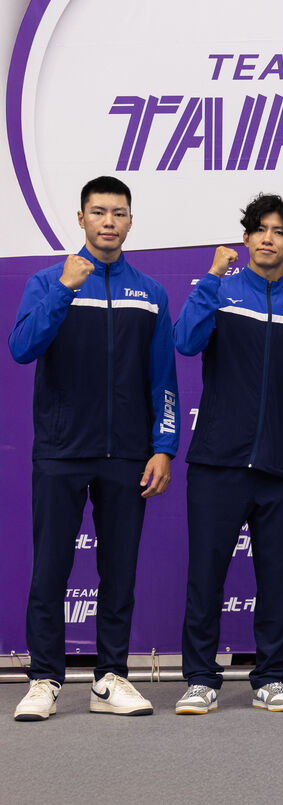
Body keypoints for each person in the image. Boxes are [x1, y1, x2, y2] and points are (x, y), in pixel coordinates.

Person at [9, 176, 178, 721]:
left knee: (119, 573)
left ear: (131, 220)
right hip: (61, 450)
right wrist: (65, 287)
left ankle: (110, 678)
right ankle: (44, 679)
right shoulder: (46, 281)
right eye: (99, 212)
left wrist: (164, 445)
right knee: (50, 570)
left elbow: (163, 377)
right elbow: (22, 348)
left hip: (127, 454)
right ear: (81, 219)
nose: (109, 222)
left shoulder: (150, 293)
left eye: (119, 213)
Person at [173, 194, 283, 714]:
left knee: (277, 580)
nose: (268, 238)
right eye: (260, 229)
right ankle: (200, 679)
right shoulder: (218, 291)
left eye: (279, 232)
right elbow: (185, 341)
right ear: (246, 237)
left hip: (280, 467)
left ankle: (271, 678)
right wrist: (211, 278)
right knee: (206, 576)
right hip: (217, 461)